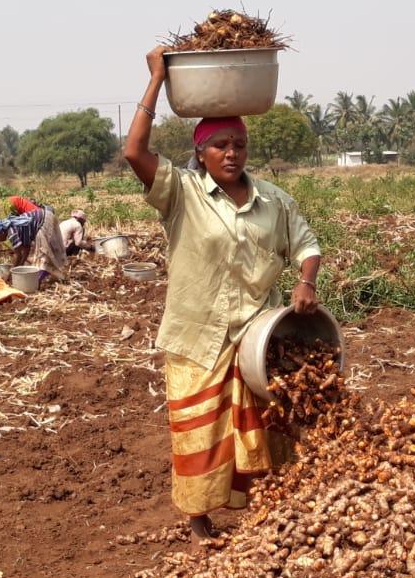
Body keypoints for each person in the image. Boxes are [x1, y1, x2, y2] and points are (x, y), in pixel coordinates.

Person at [124, 46, 322, 542]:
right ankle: (199, 521)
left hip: (255, 336)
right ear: (200, 153)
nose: (232, 153)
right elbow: (134, 153)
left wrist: (306, 280)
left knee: (266, 429)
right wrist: (156, 80)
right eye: (220, 146)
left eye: (239, 144)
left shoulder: (274, 201)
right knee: (200, 433)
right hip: (197, 336)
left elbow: (307, 246)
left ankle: (267, 511)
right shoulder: (181, 193)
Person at [0, 196, 68, 282]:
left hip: (44, 221)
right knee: (45, 255)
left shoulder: (11, 231)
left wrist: (11, 273)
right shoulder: (13, 227)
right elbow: (26, 248)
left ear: (1, 232)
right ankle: (50, 276)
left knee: (42, 255)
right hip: (47, 216)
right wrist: (20, 266)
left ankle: (37, 281)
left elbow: (18, 255)